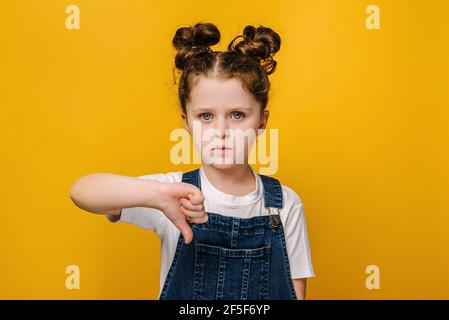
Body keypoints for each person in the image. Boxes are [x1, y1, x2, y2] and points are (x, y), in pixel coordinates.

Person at [69, 22, 315, 300]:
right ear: (187, 122)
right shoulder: (170, 192)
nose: (221, 131)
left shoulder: (284, 204)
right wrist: (157, 196)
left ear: (262, 121)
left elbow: (295, 293)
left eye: (237, 115)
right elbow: (82, 191)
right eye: (206, 116)